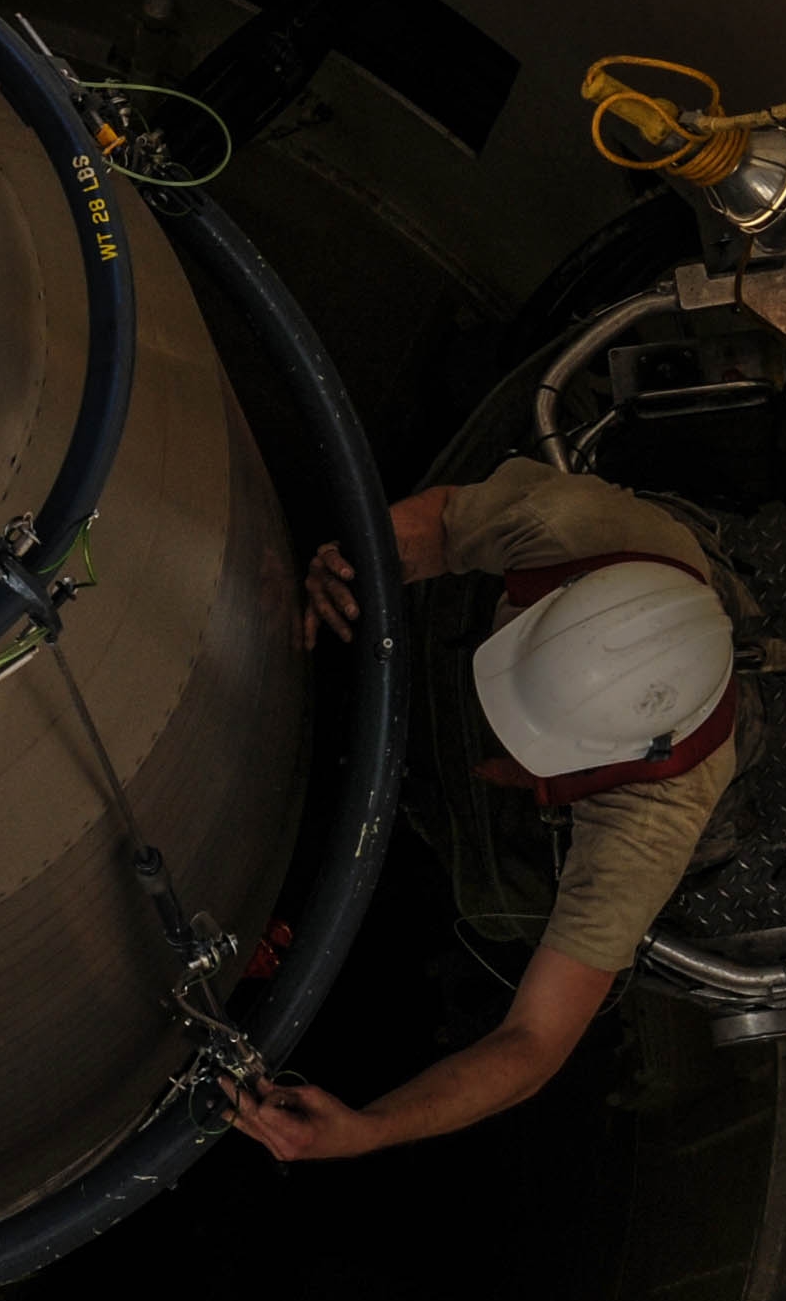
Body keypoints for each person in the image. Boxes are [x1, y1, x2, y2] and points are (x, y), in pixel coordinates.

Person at [232, 456, 739, 1160]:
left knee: (489, 903)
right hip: (448, 639)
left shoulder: (649, 821)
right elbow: (441, 526)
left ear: (608, 761)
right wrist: (354, 566)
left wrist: (369, 1128)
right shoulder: (581, 533)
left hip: (488, 809)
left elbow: (533, 1042)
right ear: (562, 591)